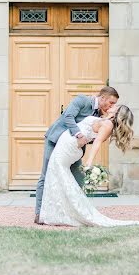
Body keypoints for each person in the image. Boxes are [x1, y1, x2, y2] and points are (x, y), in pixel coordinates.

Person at [39, 104, 139, 227]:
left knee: (57, 173)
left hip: (68, 149)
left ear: (117, 112)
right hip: (68, 146)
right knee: (57, 175)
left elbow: (96, 143)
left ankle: (62, 212)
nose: (112, 106)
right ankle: (59, 211)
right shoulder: (105, 121)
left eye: (115, 106)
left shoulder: (108, 125)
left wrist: (89, 162)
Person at [34, 86, 119, 224]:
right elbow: (68, 116)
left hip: (72, 150)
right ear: (102, 97)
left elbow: (91, 136)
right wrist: (79, 135)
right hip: (55, 140)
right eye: (111, 102)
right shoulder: (82, 100)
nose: (112, 106)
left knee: (79, 179)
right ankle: (39, 213)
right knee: (46, 175)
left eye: (114, 104)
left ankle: (75, 212)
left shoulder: (100, 116)